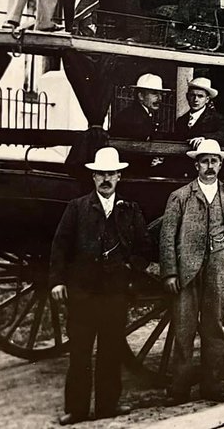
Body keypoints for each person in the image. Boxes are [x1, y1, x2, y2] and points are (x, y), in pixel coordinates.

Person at [49, 147, 152, 425]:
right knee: (80, 352)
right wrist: (57, 281)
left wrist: (131, 268)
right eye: (100, 174)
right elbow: (60, 248)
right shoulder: (77, 208)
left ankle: (108, 406)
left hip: (115, 295)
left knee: (110, 351)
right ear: (93, 178)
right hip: (82, 294)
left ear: (119, 177)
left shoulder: (130, 211)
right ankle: (77, 410)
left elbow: (145, 249)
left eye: (111, 174)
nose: (106, 179)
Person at [160, 139, 224, 403]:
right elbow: (167, 237)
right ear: (196, 165)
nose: (209, 166)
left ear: (221, 164)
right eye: (204, 161)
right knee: (184, 329)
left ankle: (212, 385)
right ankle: (179, 388)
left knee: (214, 328)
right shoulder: (180, 197)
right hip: (187, 271)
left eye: (214, 161)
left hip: (218, 270)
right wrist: (170, 273)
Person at [172, 77, 224, 147]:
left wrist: (205, 138)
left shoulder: (217, 119)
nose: (195, 99)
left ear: (207, 99)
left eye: (200, 96)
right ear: (187, 97)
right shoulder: (181, 121)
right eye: (192, 95)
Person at [110, 73, 167, 141]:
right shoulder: (131, 116)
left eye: (161, 94)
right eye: (154, 93)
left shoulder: (142, 113)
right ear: (141, 96)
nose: (160, 98)